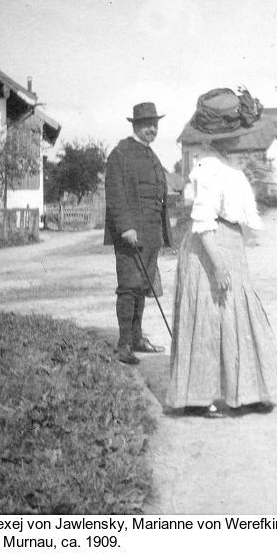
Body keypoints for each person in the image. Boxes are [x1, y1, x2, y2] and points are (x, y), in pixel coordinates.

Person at [166, 87, 277, 418]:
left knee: (238, 316)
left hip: (229, 245)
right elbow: (202, 223)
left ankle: (246, 391)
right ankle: (199, 396)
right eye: (236, 132)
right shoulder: (207, 168)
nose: (239, 138)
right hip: (211, 248)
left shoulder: (225, 164)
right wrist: (218, 266)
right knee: (210, 318)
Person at [104, 102, 172, 365]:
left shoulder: (151, 154)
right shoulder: (120, 154)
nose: (152, 129)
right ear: (135, 125)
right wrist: (125, 227)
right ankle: (123, 346)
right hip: (131, 234)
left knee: (144, 287)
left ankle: (136, 338)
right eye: (147, 124)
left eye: (155, 124)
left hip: (152, 234)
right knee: (129, 287)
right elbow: (115, 194)